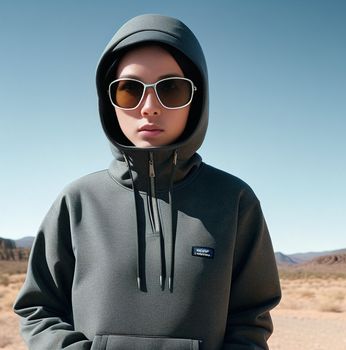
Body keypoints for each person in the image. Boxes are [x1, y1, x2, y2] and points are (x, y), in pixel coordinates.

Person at [14, 14, 281, 350]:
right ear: (108, 101)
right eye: (129, 90)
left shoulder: (234, 200)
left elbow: (251, 319)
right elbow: (38, 309)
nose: (150, 107)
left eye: (171, 88)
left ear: (196, 99)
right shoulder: (77, 201)